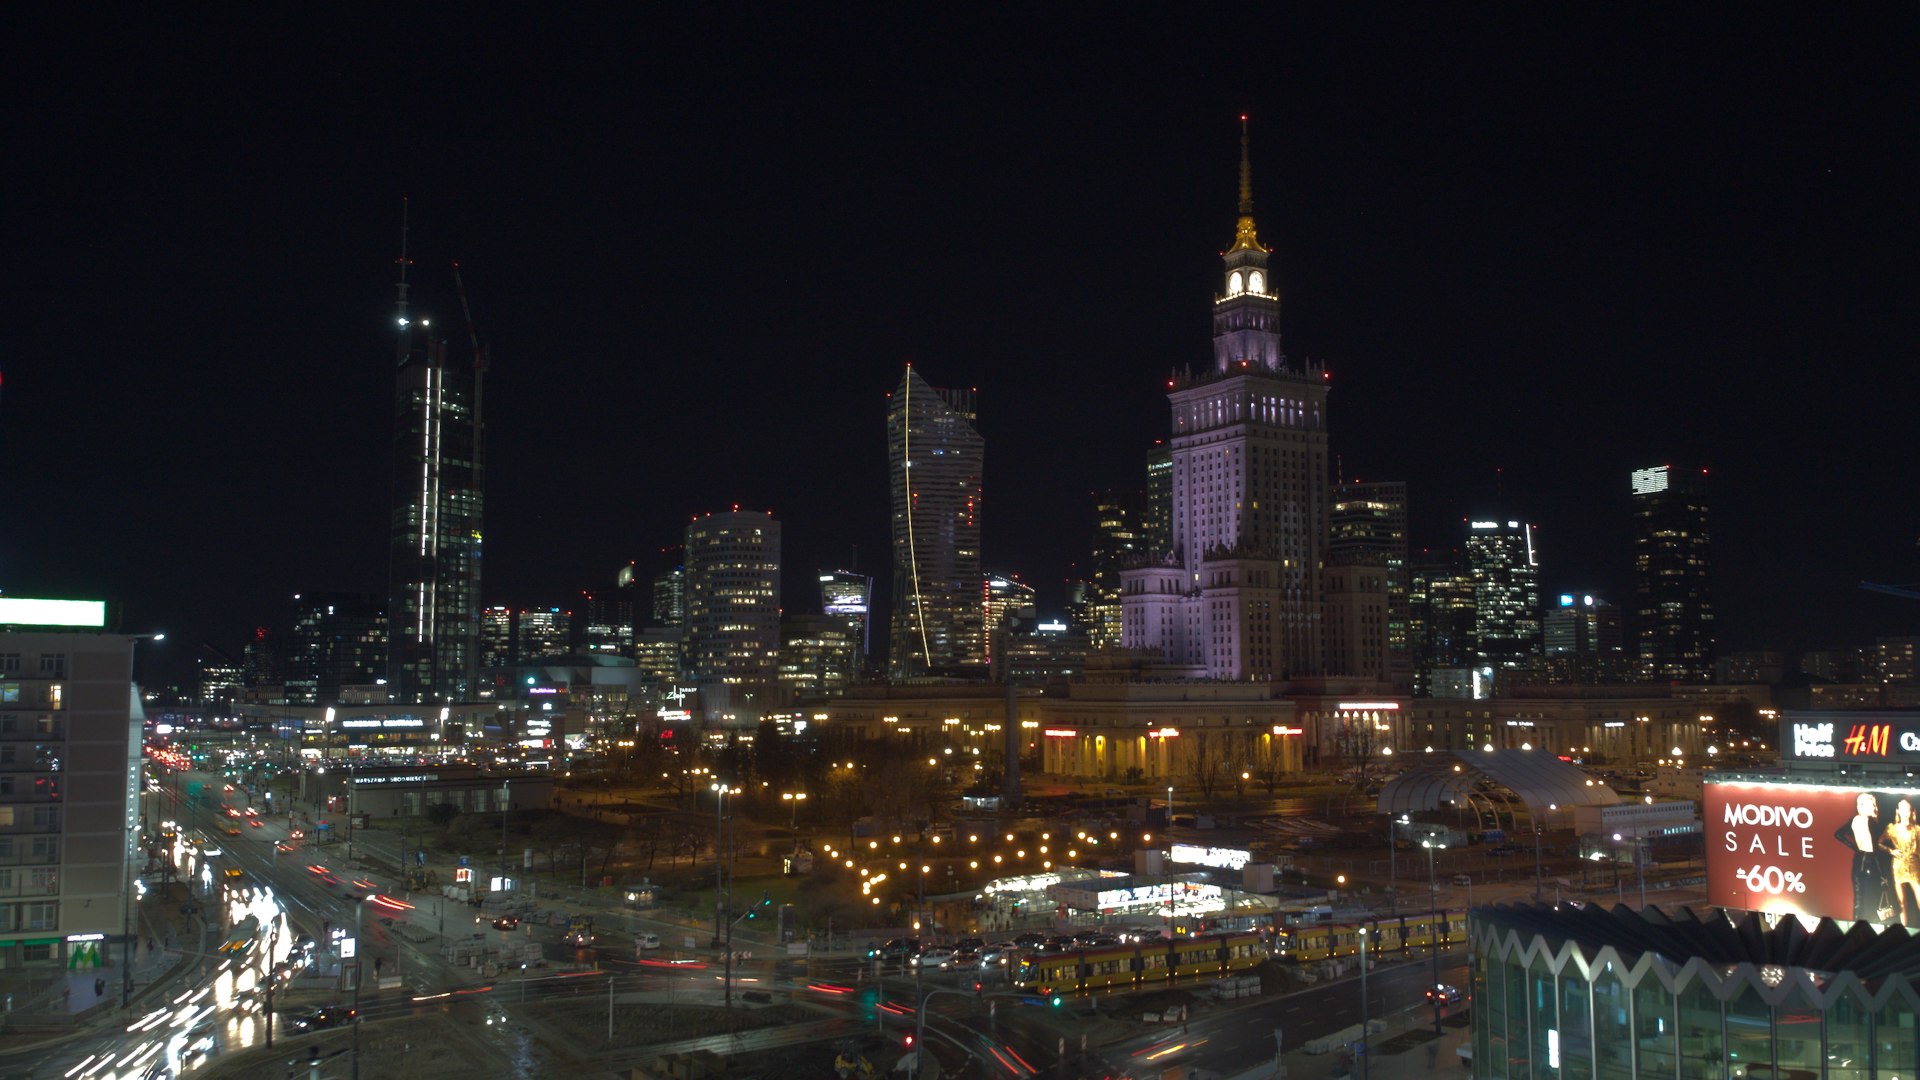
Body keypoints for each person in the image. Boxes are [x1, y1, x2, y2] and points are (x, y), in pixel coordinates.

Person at [1835, 792, 1885, 921]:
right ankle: (1872, 926)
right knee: (1873, 897)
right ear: (1863, 805)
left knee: (1859, 900)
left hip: (1859, 862)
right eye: (1872, 804)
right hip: (1870, 862)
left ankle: (1858, 926)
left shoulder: (1854, 820)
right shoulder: (1871, 823)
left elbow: (1839, 834)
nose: (1874, 807)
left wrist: (1854, 847)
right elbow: (1877, 845)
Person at [1880, 798, 1920, 925]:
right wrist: (1891, 851)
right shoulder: (1892, 828)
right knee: (1902, 902)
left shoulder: (1917, 830)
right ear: (1898, 811)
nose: (1905, 813)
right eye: (1902, 810)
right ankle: (1903, 928)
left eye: (1907, 810)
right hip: (1898, 866)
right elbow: (1879, 843)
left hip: (1914, 866)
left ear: (1912, 811)